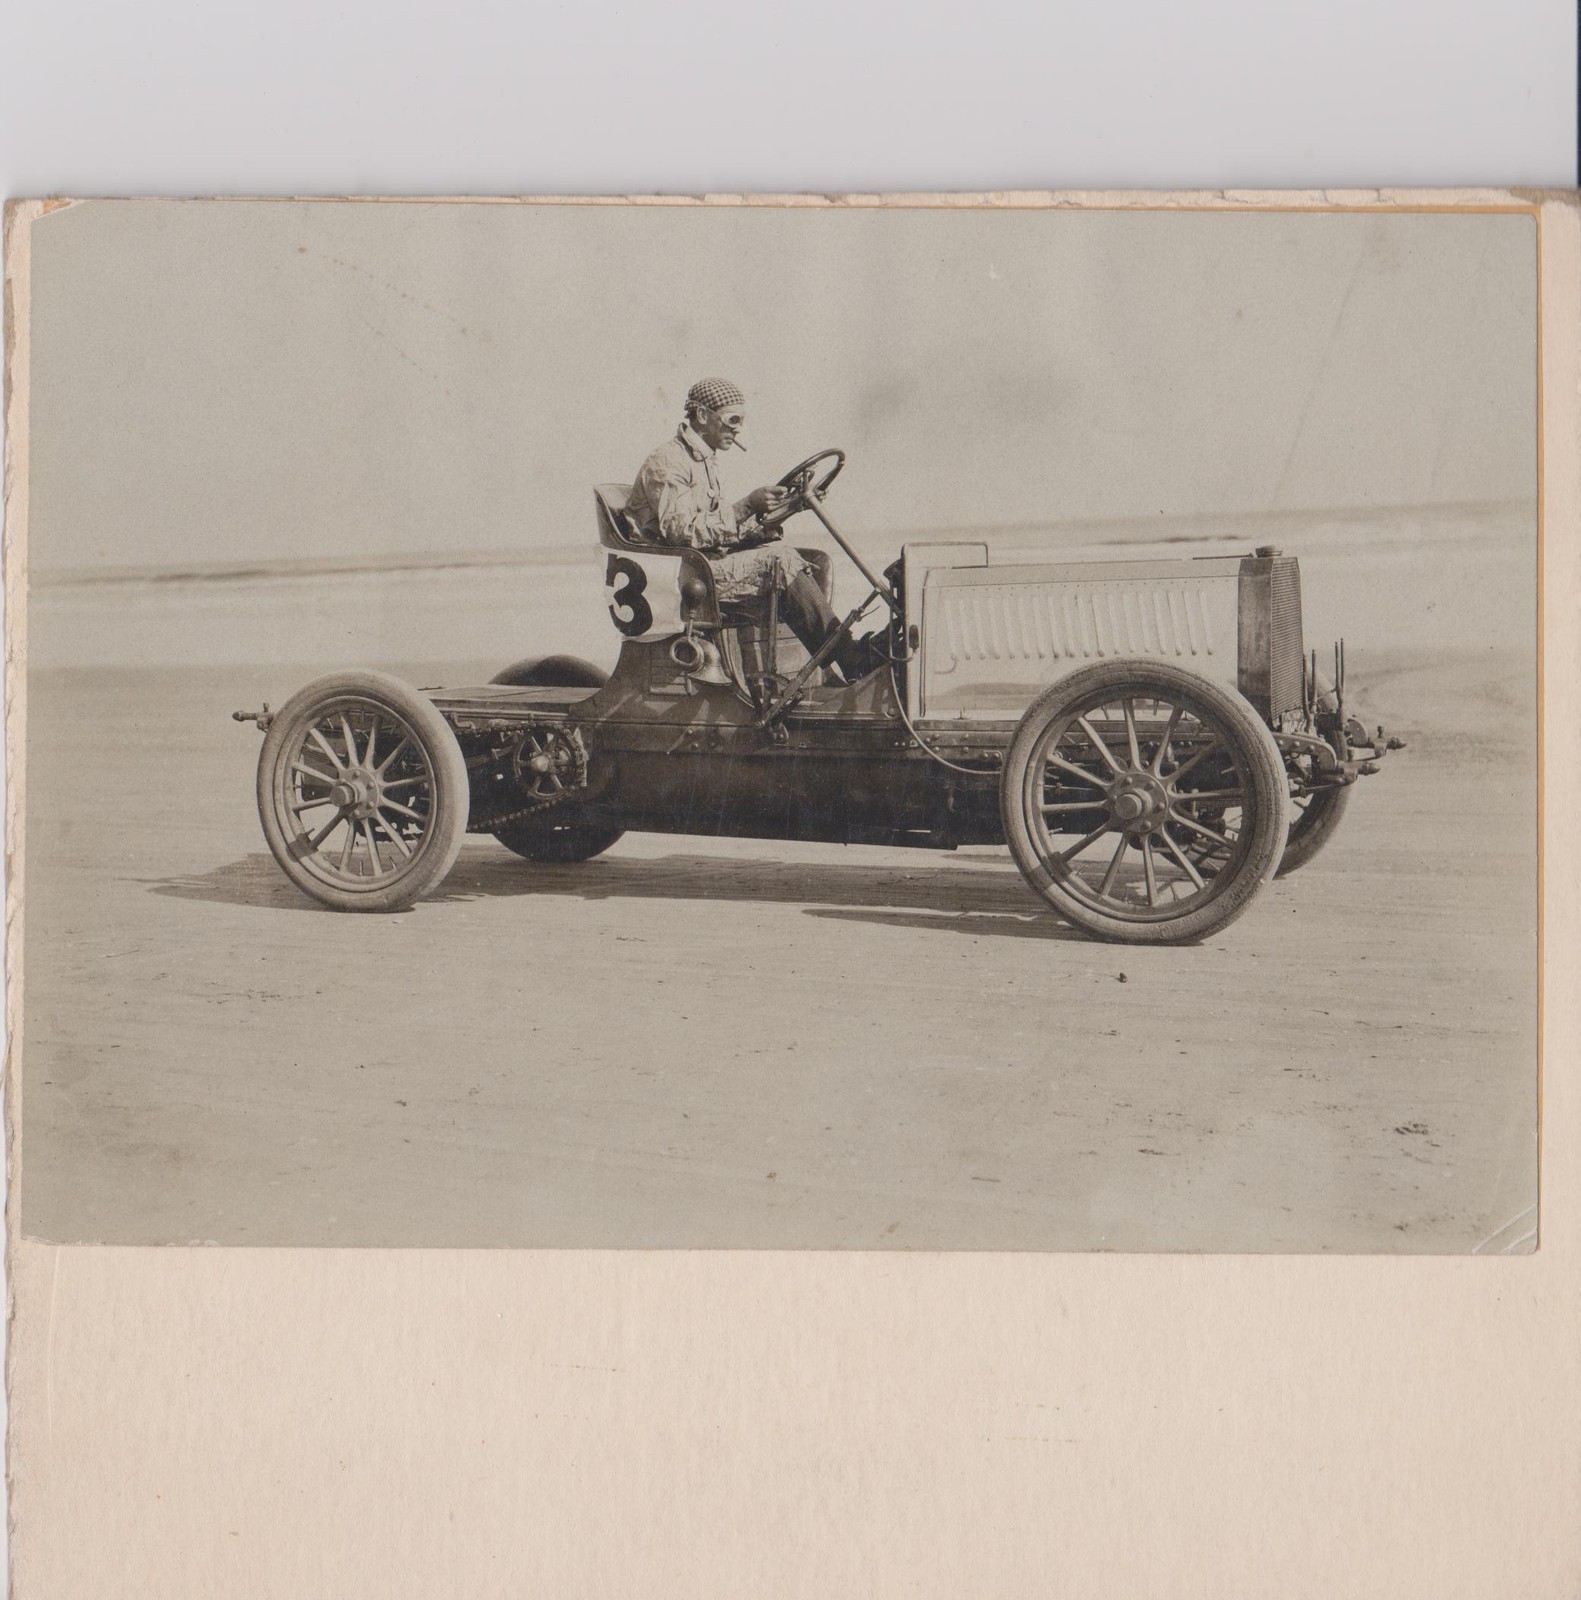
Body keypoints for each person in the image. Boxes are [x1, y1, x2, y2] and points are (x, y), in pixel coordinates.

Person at [626, 378, 870, 689]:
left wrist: (785, 510)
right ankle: (853, 660)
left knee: (813, 561)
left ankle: (825, 675)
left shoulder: (702, 461)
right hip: (683, 579)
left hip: (702, 569)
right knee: (780, 562)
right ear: (702, 416)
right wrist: (745, 507)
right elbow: (683, 533)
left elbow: (716, 530)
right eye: (732, 420)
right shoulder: (668, 462)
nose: (738, 429)